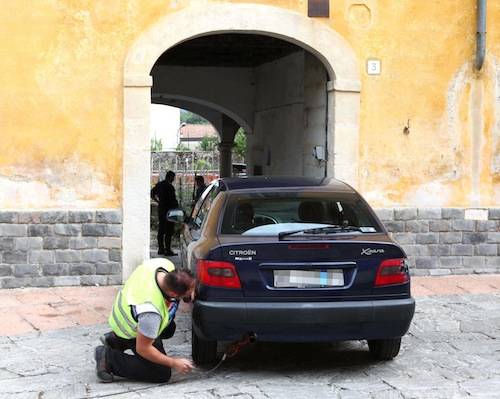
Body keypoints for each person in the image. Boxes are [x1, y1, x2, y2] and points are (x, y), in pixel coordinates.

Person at [94, 258, 196, 383]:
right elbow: (143, 349)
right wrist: (174, 362)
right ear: (173, 293)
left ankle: (115, 341)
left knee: (169, 329)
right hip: (130, 329)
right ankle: (108, 358)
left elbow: (179, 284)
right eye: (189, 291)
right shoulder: (150, 312)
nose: (193, 293)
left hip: (127, 309)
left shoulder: (162, 265)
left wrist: (187, 293)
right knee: (161, 372)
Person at [151, 170, 178, 256]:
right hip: (169, 210)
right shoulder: (170, 187)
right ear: (170, 177)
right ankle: (168, 249)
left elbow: (152, 193)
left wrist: (158, 201)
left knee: (161, 229)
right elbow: (173, 200)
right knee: (169, 230)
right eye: (173, 178)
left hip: (161, 209)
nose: (173, 179)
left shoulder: (160, 184)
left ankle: (161, 249)